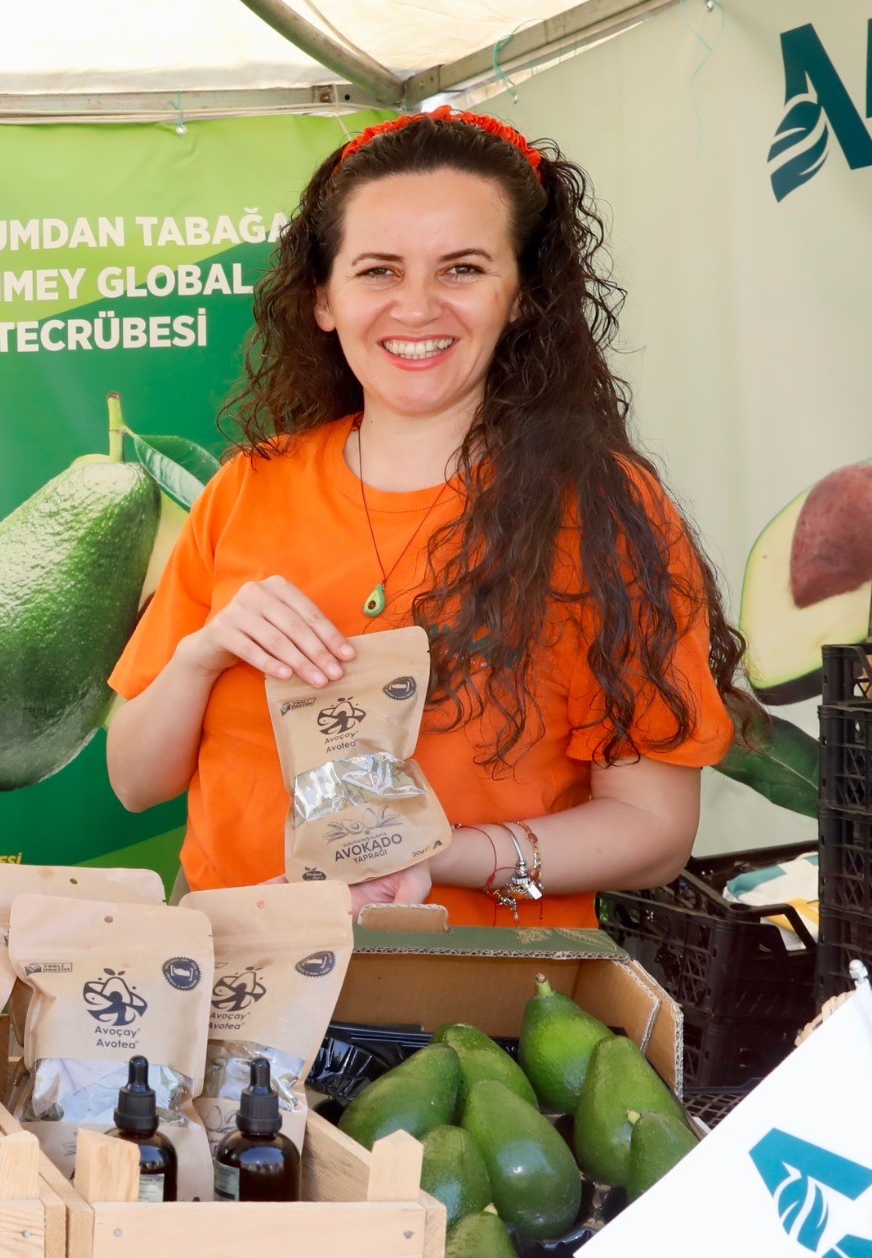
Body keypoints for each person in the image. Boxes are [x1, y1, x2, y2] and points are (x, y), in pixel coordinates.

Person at [104, 107, 750, 926]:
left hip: (482, 1016)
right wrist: (202, 654)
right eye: (377, 270)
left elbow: (655, 830)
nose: (416, 308)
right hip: (244, 999)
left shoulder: (605, 515)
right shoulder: (245, 491)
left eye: (462, 269)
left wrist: (437, 856)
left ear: (521, 298)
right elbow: (135, 782)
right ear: (324, 301)